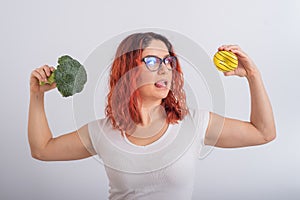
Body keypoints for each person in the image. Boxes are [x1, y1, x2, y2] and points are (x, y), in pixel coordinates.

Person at [28, 32, 276, 199]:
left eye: (168, 61)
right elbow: (42, 150)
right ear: (128, 69)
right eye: (152, 61)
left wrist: (253, 75)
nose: (165, 68)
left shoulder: (193, 123)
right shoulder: (101, 132)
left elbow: (263, 133)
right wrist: (36, 95)